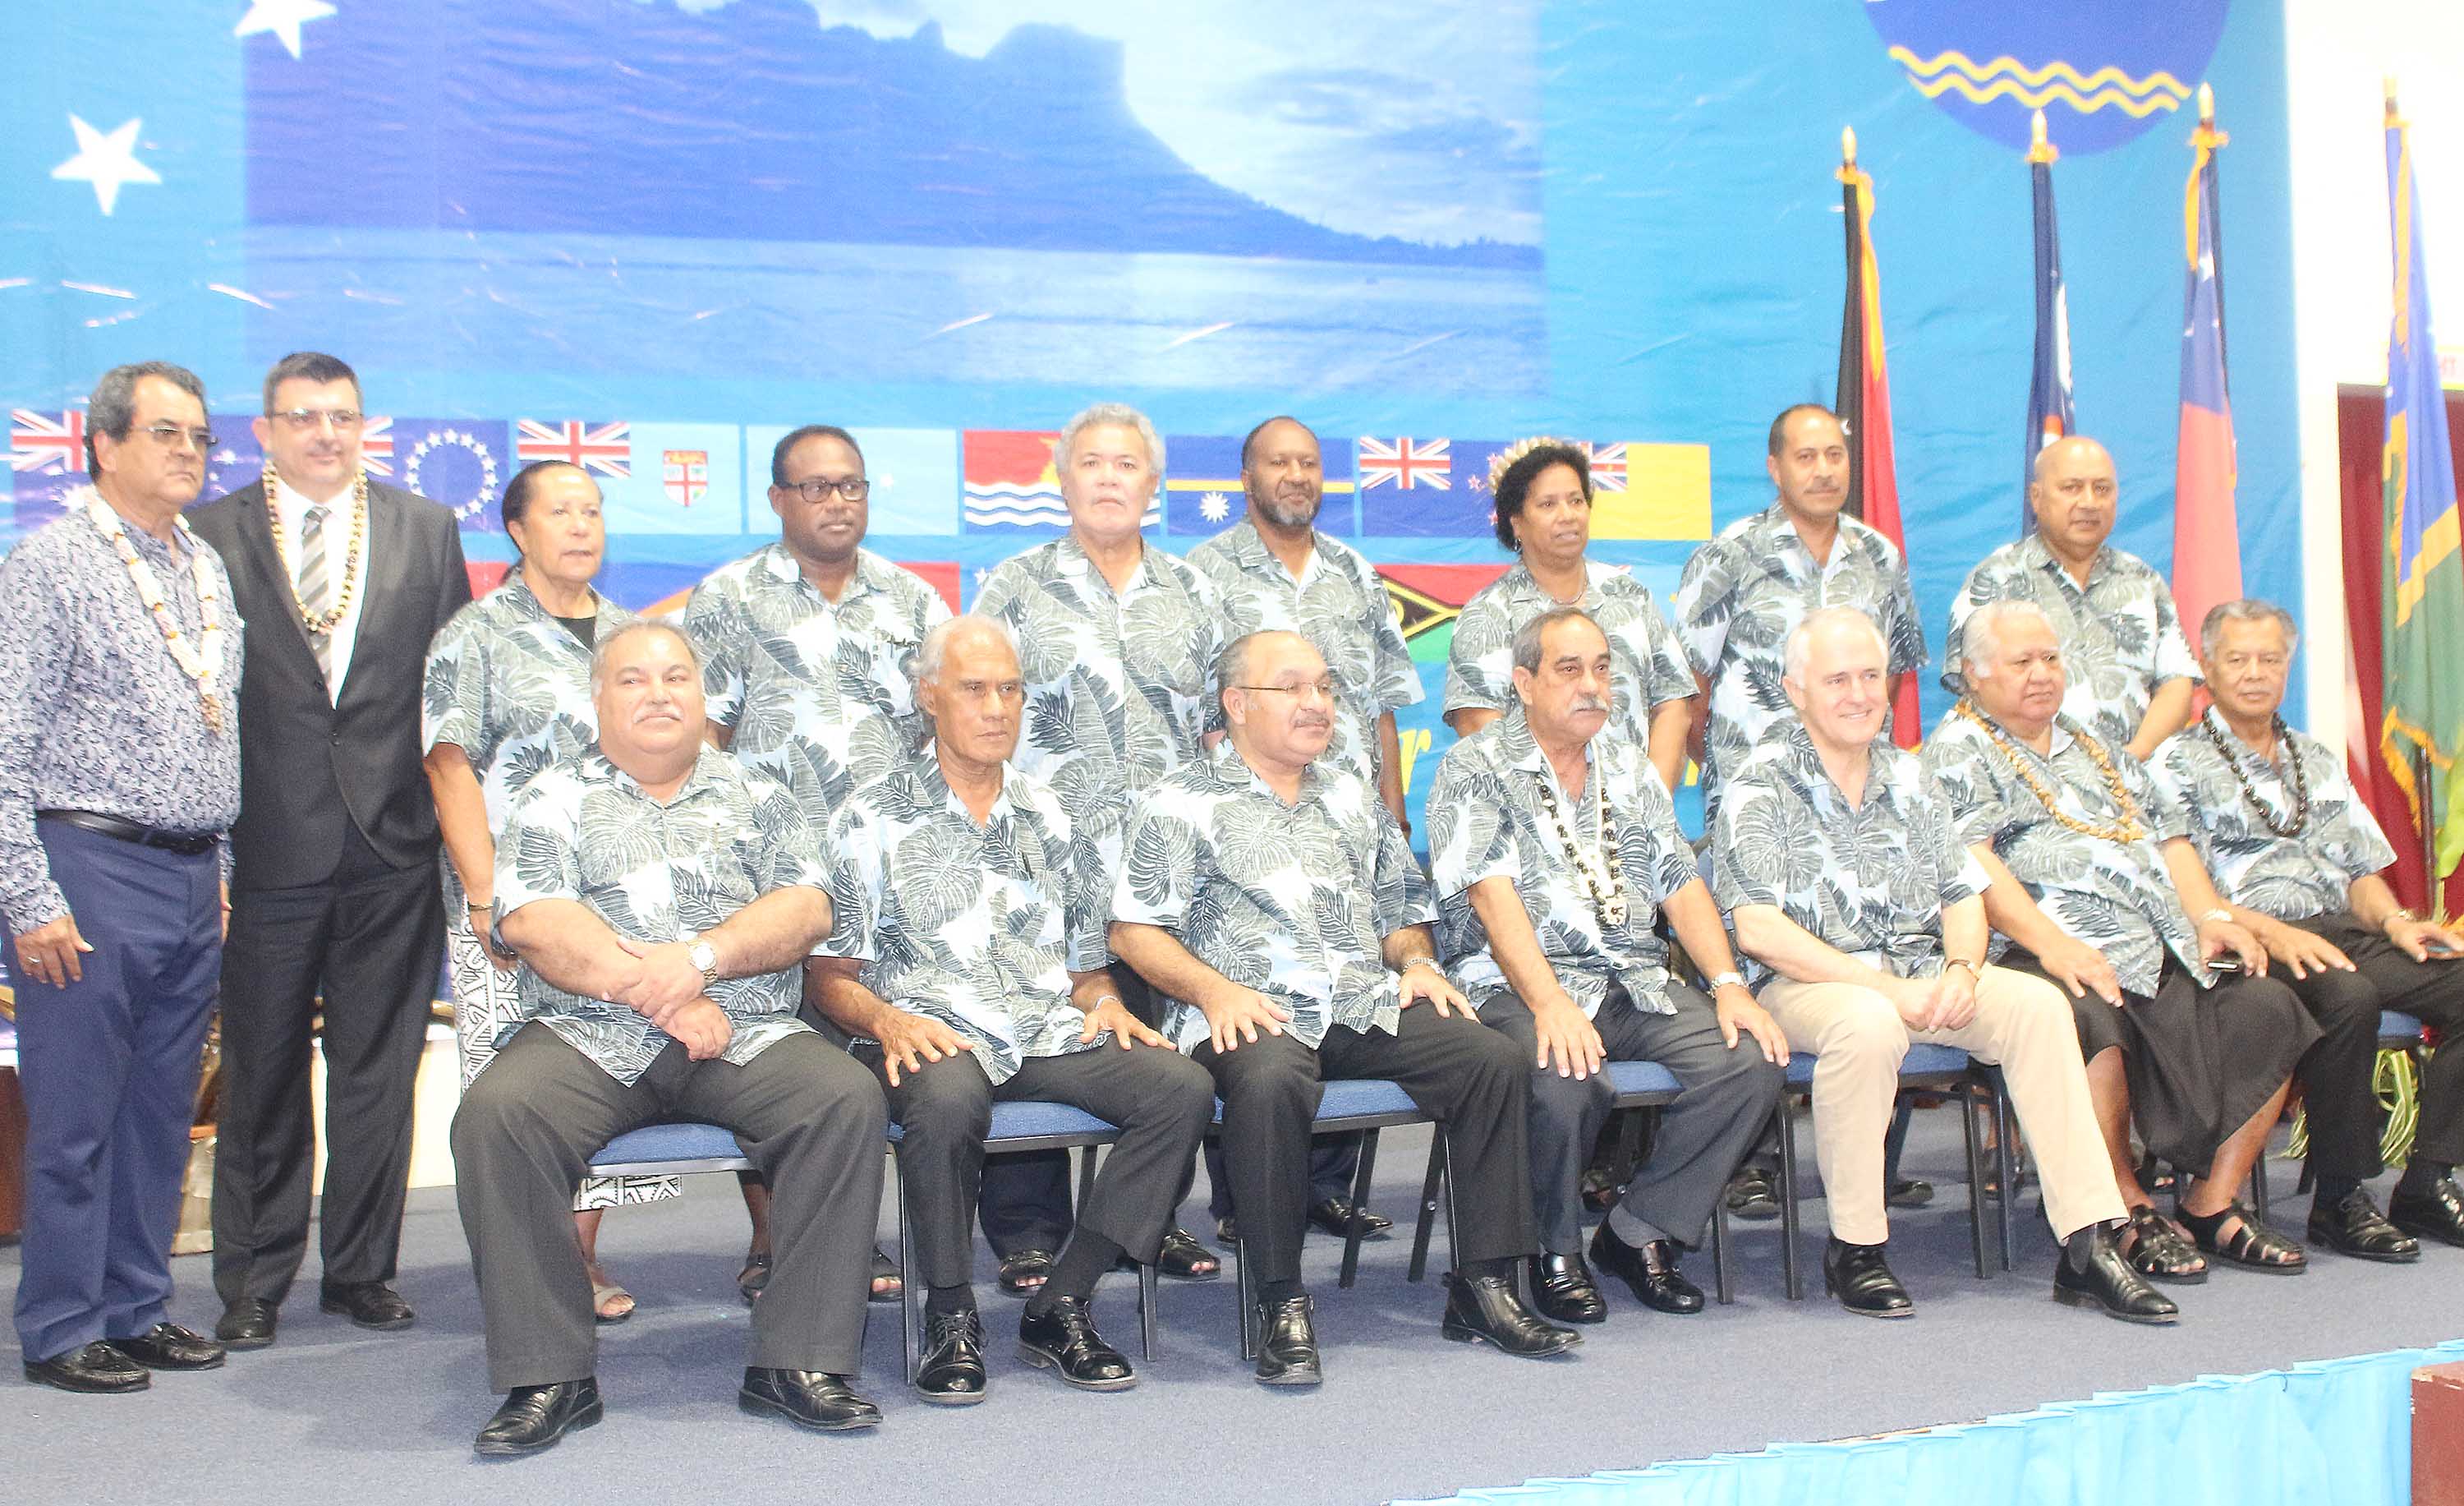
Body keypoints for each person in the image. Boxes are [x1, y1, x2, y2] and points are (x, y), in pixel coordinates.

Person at [452, 622, 885, 1455]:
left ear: (701, 695)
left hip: (746, 1027)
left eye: (676, 677)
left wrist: (700, 961)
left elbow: (804, 910)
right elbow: (537, 921)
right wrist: (663, 996)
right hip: (588, 1031)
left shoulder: (764, 793)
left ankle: (796, 1363)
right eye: (633, 679)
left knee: (842, 1100)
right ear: (598, 699)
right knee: (497, 1116)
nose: (657, 693)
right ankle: (551, 1376)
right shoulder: (552, 797)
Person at [1111, 629, 1577, 1385]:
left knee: (1489, 1056)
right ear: (1236, 704)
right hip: (1247, 1009)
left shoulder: (1353, 794)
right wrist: (1212, 989)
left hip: (1358, 999)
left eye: (1325, 688)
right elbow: (1133, 929)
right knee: (1269, 1080)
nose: (1316, 703)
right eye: (1293, 688)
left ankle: (1485, 1284)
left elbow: (1401, 909)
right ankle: (1279, 1299)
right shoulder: (1179, 801)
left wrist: (1419, 962)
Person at [1715, 608, 2173, 1323]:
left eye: (1872, 676)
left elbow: (1964, 891)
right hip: (1809, 984)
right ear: (1794, 689)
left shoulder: (1911, 774)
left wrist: (1962, 968)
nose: (1860, 694)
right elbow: (1760, 930)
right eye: (1837, 679)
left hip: (1922, 971)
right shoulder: (1757, 781)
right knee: (1867, 1025)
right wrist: (1886, 989)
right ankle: (1857, 1248)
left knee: (2037, 1005)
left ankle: (2089, 1244)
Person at [811, 616, 1212, 1403]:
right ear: (930, 696)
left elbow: (1085, 969)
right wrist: (888, 1022)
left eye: (1010, 689)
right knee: (949, 1096)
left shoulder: (1051, 813)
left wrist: (1106, 1006)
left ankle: (1062, 1300)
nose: (996, 707)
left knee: (1181, 1088)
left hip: (1042, 1027)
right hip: (927, 1029)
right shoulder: (870, 815)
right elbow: (829, 976)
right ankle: (951, 1315)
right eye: (973, 688)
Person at [192, 352, 472, 1350]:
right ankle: (254, 1283)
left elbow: (449, 699)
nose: (325, 432)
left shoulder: (425, 529)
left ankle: (360, 1270)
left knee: (376, 1070)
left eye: (342, 416)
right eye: (303, 416)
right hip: (263, 844)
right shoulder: (208, 531)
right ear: (264, 429)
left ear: (366, 426)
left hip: (391, 845)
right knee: (262, 1074)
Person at [1924, 599, 2319, 1282]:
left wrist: (2209, 918)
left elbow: (2170, 840)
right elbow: (1972, 864)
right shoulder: (1959, 749)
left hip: (2153, 937)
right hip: (2040, 942)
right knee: (2085, 1014)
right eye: (2022, 662)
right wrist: (2051, 943)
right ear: (1974, 675)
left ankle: (2211, 1201)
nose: (2042, 674)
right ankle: (2123, 1206)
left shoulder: (2093, 744)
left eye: (2050, 658)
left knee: (2270, 1004)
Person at [1430, 607, 1784, 1324]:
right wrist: (1550, 1002)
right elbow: (1491, 900)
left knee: (1748, 1058)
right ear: (1524, 682)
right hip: (1513, 984)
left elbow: (1680, 883)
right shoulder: (1475, 765)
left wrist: (1727, 984)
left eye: (1602, 668)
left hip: (1631, 978)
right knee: (1567, 1074)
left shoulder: (1626, 764)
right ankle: (1552, 1250)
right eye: (1570, 670)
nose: (1592, 685)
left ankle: (1638, 1230)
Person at [0, 362, 241, 1392]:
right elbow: (5, 745)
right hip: (87, 866)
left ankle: (138, 1306)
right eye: (164, 433)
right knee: (78, 1114)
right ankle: (61, 1322)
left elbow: (213, 728)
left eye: (199, 435)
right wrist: (30, 896)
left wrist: (219, 867)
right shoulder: (48, 565)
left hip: (192, 874)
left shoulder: (207, 566)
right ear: (102, 445)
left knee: (158, 1111)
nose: (187, 451)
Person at [683, 423, 948, 1304]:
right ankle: (773, 1239)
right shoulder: (728, 598)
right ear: (778, 500)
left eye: (852, 486)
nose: (838, 502)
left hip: (887, 878)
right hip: (769, 879)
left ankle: (858, 1232)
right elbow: (705, 736)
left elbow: (937, 735)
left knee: (872, 1048)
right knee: (775, 1053)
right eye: (817, 487)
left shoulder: (914, 602)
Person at [973, 403, 1228, 1287]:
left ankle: (1146, 1222)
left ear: (1154, 485)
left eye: (1128, 464)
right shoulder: (1012, 587)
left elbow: (1217, 731)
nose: (1110, 477)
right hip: (1043, 864)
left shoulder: (1197, 593)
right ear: (1063, 477)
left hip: (1164, 869)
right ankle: (1027, 1230)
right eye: (1092, 462)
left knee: (1164, 1049)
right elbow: (977, 720)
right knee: (1038, 1039)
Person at [422, 460, 672, 1324]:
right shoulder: (476, 634)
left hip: (618, 906)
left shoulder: (630, 638)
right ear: (518, 531)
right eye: (561, 512)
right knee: (513, 1088)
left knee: (605, 1071)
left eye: (594, 511)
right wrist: (487, 892)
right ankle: (526, 1270)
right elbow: (448, 763)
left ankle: (584, 1257)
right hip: (514, 909)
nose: (581, 526)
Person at [2151, 598, 2464, 1254]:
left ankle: (2428, 1179)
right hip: (2250, 940)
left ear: (2287, 666)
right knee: (2351, 998)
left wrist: (2399, 921)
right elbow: (2183, 884)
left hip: (2341, 928)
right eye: (2238, 659)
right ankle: (2342, 1198)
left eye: (2270, 659)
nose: (2256, 673)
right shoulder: (2174, 761)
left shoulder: (2315, 757)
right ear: (2208, 666)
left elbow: (2361, 872)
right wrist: (2268, 930)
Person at [1185, 414, 1404, 1241]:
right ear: (1248, 477)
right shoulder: (1204, 576)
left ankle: (1325, 1186)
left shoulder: (1356, 573)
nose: (1296, 475)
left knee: (1351, 984)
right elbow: (1203, 715)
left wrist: (1391, 804)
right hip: (1251, 824)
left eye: (1309, 463)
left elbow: (1379, 702)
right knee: (1258, 1014)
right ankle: (1247, 1197)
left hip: (1346, 824)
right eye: (1279, 462)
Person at [1673, 403, 1925, 817]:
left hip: (1860, 797)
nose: (1824, 471)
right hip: (1754, 800)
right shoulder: (1729, 555)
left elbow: (1892, 673)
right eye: (1806, 457)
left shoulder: (1881, 557)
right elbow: (1688, 690)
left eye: (1835, 455)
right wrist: (1732, 766)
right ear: (1775, 468)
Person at [1446, 440, 1698, 792]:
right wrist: (1556, 810)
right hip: (1536, 818)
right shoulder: (1491, 612)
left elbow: (1673, 703)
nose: (1568, 515)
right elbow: (1478, 722)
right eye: (1548, 504)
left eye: (1576, 500)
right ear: (1516, 522)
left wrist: (1650, 800)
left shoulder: (1630, 596)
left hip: (1634, 817)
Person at [1944, 436, 2198, 761]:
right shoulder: (1997, 579)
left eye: (2102, 489)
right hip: (2030, 782)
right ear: (2036, 497)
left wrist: (2133, 759)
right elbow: (1974, 689)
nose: (2089, 502)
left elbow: (2176, 683)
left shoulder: (2143, 580)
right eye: (2072, 488)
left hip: (2135, 778)